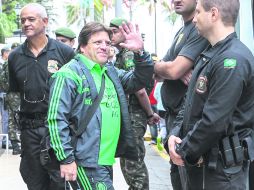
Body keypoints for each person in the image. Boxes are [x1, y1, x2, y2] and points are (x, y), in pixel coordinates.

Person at [47, 21, 153, 189]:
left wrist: (140, 52)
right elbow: (55, 120)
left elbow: (139, 81)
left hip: (104, 159)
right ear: (82, 46)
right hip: (85, 161)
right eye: (97, 42)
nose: (104, 47)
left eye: (107, 43)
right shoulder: (68, 74)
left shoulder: (109, 71)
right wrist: (66, 159)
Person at [167, 0, 254, 189]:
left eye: (198, 12)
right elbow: (188, 105)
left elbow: (214, 120)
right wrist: (174, 135)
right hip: (202, 166)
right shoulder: (210, 55)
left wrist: (184, 151)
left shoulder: (232, 60)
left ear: (213, 14)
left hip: (223, 172)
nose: (195, 19)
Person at [8, 3, 75, 190]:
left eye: (31, 19)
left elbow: (77, 91)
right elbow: (14, 96)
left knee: (59, 182)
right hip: (30, 131)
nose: (26, 24)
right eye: (23, 20)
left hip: (57, 129)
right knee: (34, 181)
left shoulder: (64, 52)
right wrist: (16, 133)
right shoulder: (14, 57)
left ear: (45, 22)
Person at [154, 0, 208, 189]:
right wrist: (165, 67)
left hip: (187, 119)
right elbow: (159, 72)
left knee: (188, 179)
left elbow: (174, 70)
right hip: (173, 119)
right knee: (177, 176)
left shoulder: (198, 29)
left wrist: (173, 68)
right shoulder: (182, 31)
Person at [110, 17, 159, 190]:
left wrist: (149, 113)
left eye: (115, 31)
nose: (111, 35)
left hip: (134, 116)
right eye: (110, 31)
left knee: (133, 163)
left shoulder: (129, 54)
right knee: (128, 162)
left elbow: (139, 89)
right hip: (129, 115)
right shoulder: (120, 55)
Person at [0, 43, 22, 155]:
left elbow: (2, 80)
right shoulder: (19, 61)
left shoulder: (7, 63)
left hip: (9, 94)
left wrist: (7, 89)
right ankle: (20, 145)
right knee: (20, 118)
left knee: (11, 120)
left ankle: (15, 146)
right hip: (18, 94)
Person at [0, 46, 10, 149]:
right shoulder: (3, 64)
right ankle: (5, 141)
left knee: (5, 118)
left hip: (3, 93)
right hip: (3, 94)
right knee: (6, 118)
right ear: (5, 53)